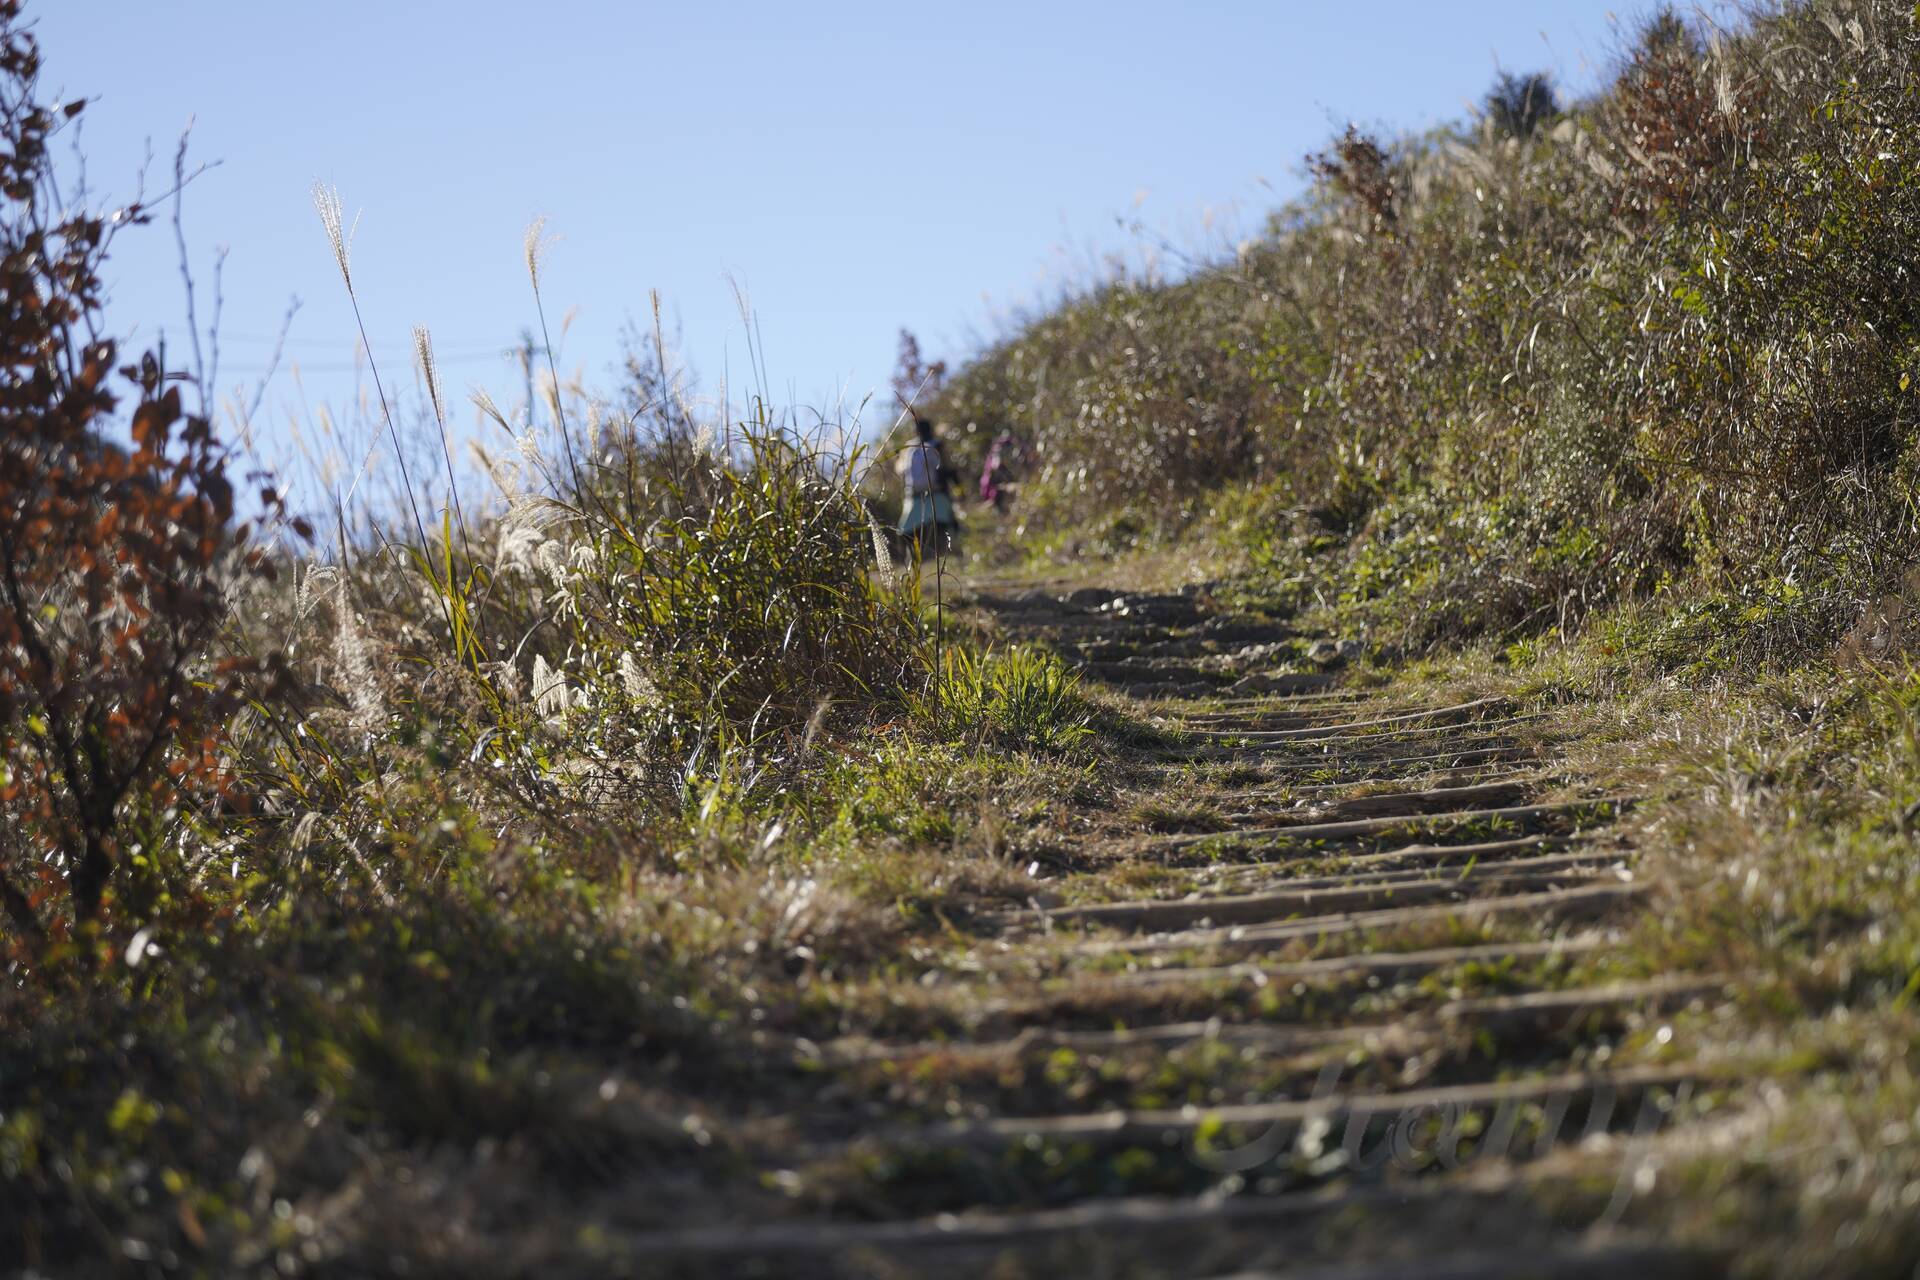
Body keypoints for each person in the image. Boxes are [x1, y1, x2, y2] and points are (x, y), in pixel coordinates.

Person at [895, 418, 960, 560]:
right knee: (945, 526)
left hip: (915, 496)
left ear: (915, 431)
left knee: (908, 529)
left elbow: (902, 473)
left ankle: (914, 558)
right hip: (936, 494)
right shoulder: (936, 446)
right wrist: (958, 487)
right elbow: (948, 468)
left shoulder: (908, 448)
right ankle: (948, 554)